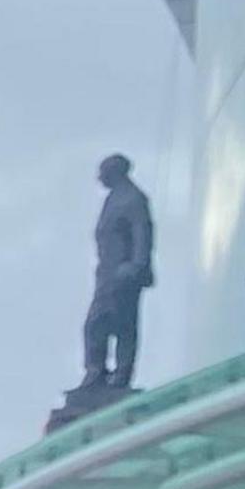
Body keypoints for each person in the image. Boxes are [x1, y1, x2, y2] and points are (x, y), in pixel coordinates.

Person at [84, 151, 155, 390]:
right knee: (97, 323)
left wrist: (136, 266)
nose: (99, 178)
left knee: (123, 325)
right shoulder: (113, 198)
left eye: (102, 172)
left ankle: (121, 375)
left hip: (123, 274)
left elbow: (142, 232)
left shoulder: (133, 198)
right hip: (106, 273)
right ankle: (96, 373)